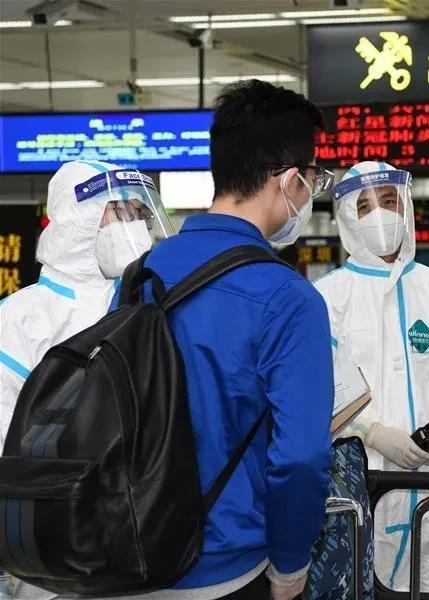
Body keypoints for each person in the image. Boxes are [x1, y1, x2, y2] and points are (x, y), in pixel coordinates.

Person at [117, 80, 333, 600]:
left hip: (131, 554)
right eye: (310, 181)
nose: (307, 195)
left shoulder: (139, 274)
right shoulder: (288, 297)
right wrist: (289, 565)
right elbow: (299, 457)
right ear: (286, 181)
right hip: (227, 569)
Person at [314, 161, 429, 593]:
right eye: (365, 206)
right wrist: (369, 431)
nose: (381, 214)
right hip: (356, 474)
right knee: (359, 576)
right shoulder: (327, 298)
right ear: (348, 218)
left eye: (390, 201)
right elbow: (318, 384)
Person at [0, 160, 171, 448]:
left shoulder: (146, 302)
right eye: (121, 212)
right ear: (79, 219)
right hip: (50, 486)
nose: (137, 226)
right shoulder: (19, 316)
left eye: (140, 214)